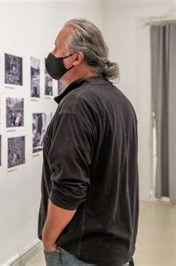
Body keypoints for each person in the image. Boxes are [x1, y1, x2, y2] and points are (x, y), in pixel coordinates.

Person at [39, 18, 138, 266]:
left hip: (82, 250)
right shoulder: (121, 102)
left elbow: (69, 186)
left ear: (76, 58)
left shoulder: (77, 105)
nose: (51, 55)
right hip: (117, 248)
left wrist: (48, 239)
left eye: (57, 48)